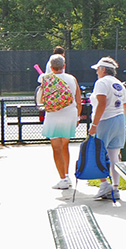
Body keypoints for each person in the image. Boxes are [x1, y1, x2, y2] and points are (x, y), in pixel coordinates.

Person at [37, 54, 81, 189]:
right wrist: (78, 116)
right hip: (70, 114)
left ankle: (63, 178)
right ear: (64, 66)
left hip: (53, 115)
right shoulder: (72, 79)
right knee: (64, 146)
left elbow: (41, 99)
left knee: (56, 148)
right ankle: (67, 175)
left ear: (51, 67)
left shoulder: (46, 79)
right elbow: (78, 99)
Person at [88, 56, 126, 202]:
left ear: (103, 69)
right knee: (114, 156)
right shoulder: (119, 84)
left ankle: (104, 184)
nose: (97, 72)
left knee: (97, 152)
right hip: (119, 119)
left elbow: (101, 104)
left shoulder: (101, 82)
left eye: (98, 69)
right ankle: (116, 188)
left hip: (105, 120)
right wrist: (124, 124)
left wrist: (94, 125)